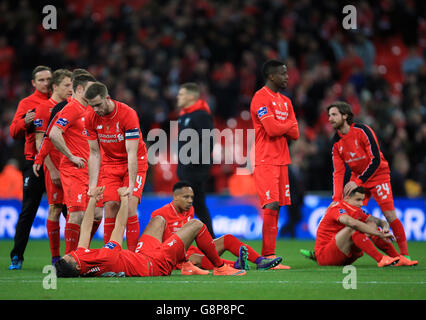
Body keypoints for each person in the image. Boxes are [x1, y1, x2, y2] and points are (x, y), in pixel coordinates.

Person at [54, 186, 246, 277]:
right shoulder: (104, 258)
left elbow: (86, 229)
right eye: (68, 259)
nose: (68, 255)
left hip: (141, 256)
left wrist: (93, 200)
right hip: (155, 265)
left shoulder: (80, 257)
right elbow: (119, 227)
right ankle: (220, 267)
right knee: (196, 224)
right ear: (77, 267)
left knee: (159, 220)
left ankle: (184, 261)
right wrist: (124, 200)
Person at [327, 101, 416, 263]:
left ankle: (404, 255)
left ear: (345, 115)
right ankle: (326, 249)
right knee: (344, 212)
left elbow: (375, 159)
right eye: (329, 115)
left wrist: (359, 181)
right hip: (357, 178)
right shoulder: (335, 142)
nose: (330, 118)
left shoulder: (363, 131)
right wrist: (337, 198)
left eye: (334, 115)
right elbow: (338, 172)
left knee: (389, 215)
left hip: (378, 174)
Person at [150, 181, 282, 275]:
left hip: (192, 251)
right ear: (175, 197)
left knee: (228, 239)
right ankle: (235, 264)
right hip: (178, 258)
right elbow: (157, 243)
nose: (190, 201)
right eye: (186, 197)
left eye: (192, 197)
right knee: (197, 258)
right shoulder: (159, 215)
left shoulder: (189, 210)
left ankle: (260, 261)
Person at [84, 82, 148, 250]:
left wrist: (132, 185)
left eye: (98, 104)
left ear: (107, 98)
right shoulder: (90, 117)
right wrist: (92, 185)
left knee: (130, 207)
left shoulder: (128, 114)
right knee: (110, 207)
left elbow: (132, 153)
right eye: (92, 106)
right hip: (110, 164)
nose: (95, 109)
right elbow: (94, 153)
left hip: (133, 162)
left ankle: (133, 256)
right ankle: (110, 256)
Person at [249, 59, 299, 269]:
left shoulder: (286, 102)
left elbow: (295, 134)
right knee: (271, 205)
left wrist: (284, 126)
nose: (287, 77)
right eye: (283, 74)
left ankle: (270, 255)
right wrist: (287, 124)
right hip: (265, 159)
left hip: (281, 160)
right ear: (271, 76)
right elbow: (271, 129)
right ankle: (267, 257)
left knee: (276, 208)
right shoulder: (260, 98)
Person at [48, 73, 98, 255]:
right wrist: (71, 156)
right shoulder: (72, 108)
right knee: (76, 214)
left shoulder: (89, 110)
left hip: (90, 171)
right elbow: (54, 133)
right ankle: (70, 258)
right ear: (79, 89)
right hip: (73, 170)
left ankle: (80, 251)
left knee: (97, 213)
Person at [8, 65, 52, 270]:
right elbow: (13, 132)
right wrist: (24, 122)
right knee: (28, 210)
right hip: (33, 162)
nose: (46, 83)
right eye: (41, 80)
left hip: (58, 163)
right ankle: (16, 256)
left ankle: (74, 255)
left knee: (66, 209)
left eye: (48, 79)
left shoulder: (60, 101)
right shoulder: (27, 103)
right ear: (33, 83)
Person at [313, 186, 416, 267]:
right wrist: (379, 234)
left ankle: (398, 258)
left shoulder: (356, 210)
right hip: (325, 256)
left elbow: (378, 221)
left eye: (362, 200)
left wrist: (385, 228)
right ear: (347, 198)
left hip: (344, 255)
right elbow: (351, 223)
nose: (361, 203)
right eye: (358, 200)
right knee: (352, 228)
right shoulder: (337, 207)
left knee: (372, 224)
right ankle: (381, 259)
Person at [34, 68, 73, 265]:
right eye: (67, 85)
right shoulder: (44, 108)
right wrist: (52, 168)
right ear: (55, 86)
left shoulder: (74, 106)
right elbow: (40, 141)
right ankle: (55, 257)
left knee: (75, 212)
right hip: (55, 168)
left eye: (72, 85)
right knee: (55, 209)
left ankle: (72, 255)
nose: (71, 89)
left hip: (73, 167)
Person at [176, 82, 215, 238]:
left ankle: (180, 239)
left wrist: (192, 162)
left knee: (186, 203)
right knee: (198, 205)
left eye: (181, 94)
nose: (178, 97)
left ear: (191, 96)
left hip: (195, 170)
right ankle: (211, 240)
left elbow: (208, 141)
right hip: (187, 168)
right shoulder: (185, 115)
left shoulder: (201, 115)